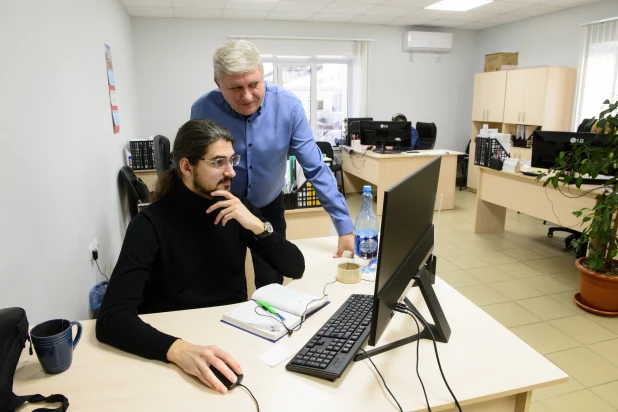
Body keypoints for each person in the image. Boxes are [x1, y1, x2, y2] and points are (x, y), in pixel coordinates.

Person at [96, 119, 305, 394]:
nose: (231, 172)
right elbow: (111, 319)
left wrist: (255, 224)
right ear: (186, 166)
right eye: (218, 162)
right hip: (175, 342)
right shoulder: (150, 224)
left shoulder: (234, 208)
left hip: (231, 334)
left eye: (232, 160)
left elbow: (295, 266)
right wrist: (178, 350)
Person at [190, 40, 354, 289]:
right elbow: (193, 168)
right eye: (235, 88)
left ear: (263, 74)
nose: (247, 96)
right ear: (218, 84)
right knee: (221, 283)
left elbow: (315, 168)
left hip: (268, 208)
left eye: (254, 84)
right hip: (220, 207)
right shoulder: (203, 109)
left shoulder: (288, 106)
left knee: (271, 284)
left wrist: (344, 227)